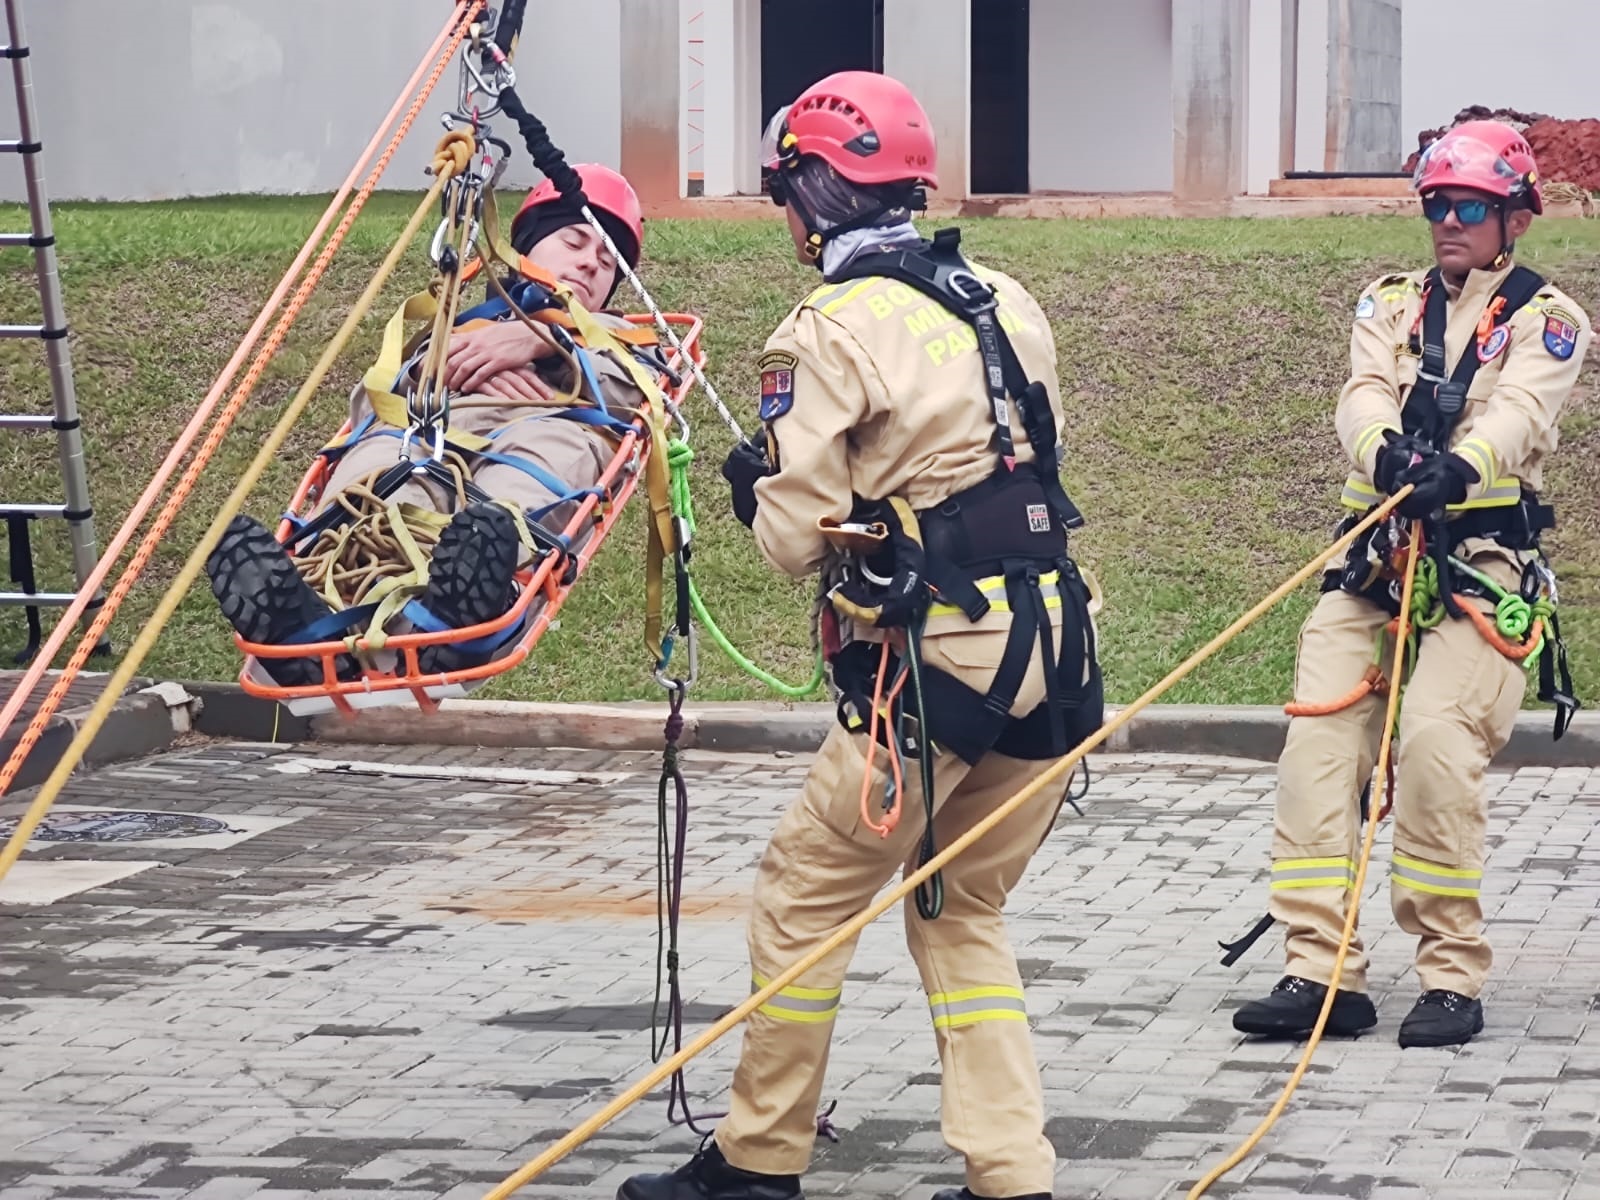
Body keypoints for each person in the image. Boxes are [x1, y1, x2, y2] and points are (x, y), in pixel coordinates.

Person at [617, 71, 1103, 1200]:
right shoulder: (1001, 296)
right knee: (959, 904)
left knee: (805, 893)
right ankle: (1011, 1173)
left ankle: (758, 1157)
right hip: (1055, 651)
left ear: (813, 194)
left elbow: (797, 541)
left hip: (941, 666)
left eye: (785, 191)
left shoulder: (825, 329)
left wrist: (757, 488)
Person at [1231, 121, 1591, 1049]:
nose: (1449, 221)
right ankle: (1320, 974)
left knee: (1434, 743)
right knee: (1316, 750)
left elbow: (1521, 412)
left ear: (1515, 218)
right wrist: (1384, 450)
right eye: (1437, 205)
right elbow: (1360, 391)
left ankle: (1450, 974)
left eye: (1470, 206)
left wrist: (1461, 470)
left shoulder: (1550, 320)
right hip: (1373, 565)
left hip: (1481, 569)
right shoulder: (1389, 302)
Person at [205, 164, 657, 685]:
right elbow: (370, 402)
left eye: (607, 261)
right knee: (380, 474)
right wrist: (434, 369)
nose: (590, 263)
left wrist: (543, 341)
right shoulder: (456, 328)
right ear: (526, 247)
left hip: (546, 429)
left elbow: (637, 394)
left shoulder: (619, 336)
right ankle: (315, 618)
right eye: (574, 241)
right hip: (426, 429)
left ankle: (462, 614)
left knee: (508, 505)